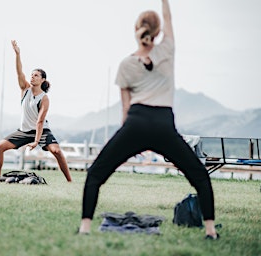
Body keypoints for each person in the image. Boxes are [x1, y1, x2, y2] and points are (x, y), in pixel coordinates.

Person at [79, 0, 219, 239]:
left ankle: (84, 229)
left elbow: (125, 110)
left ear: (136, 30)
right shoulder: (167, 50)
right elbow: (169, 19)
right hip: (163, 123)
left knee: (96, 174)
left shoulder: (125, 64)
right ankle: (210, 231)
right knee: (199, 176)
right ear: (157, 32)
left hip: (136, 122)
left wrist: (129, 142)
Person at [0, 40, 72, 182]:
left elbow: (40, 121)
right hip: (24, 131)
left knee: (57, 151)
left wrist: (36, 141)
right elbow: (19, 72)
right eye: (32, 75)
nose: (32, 77)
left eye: (36, 75)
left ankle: (69, 181)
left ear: (43, 80)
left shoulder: (44, 98)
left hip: (41, 131)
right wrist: (17, 54)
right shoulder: (25, 89)